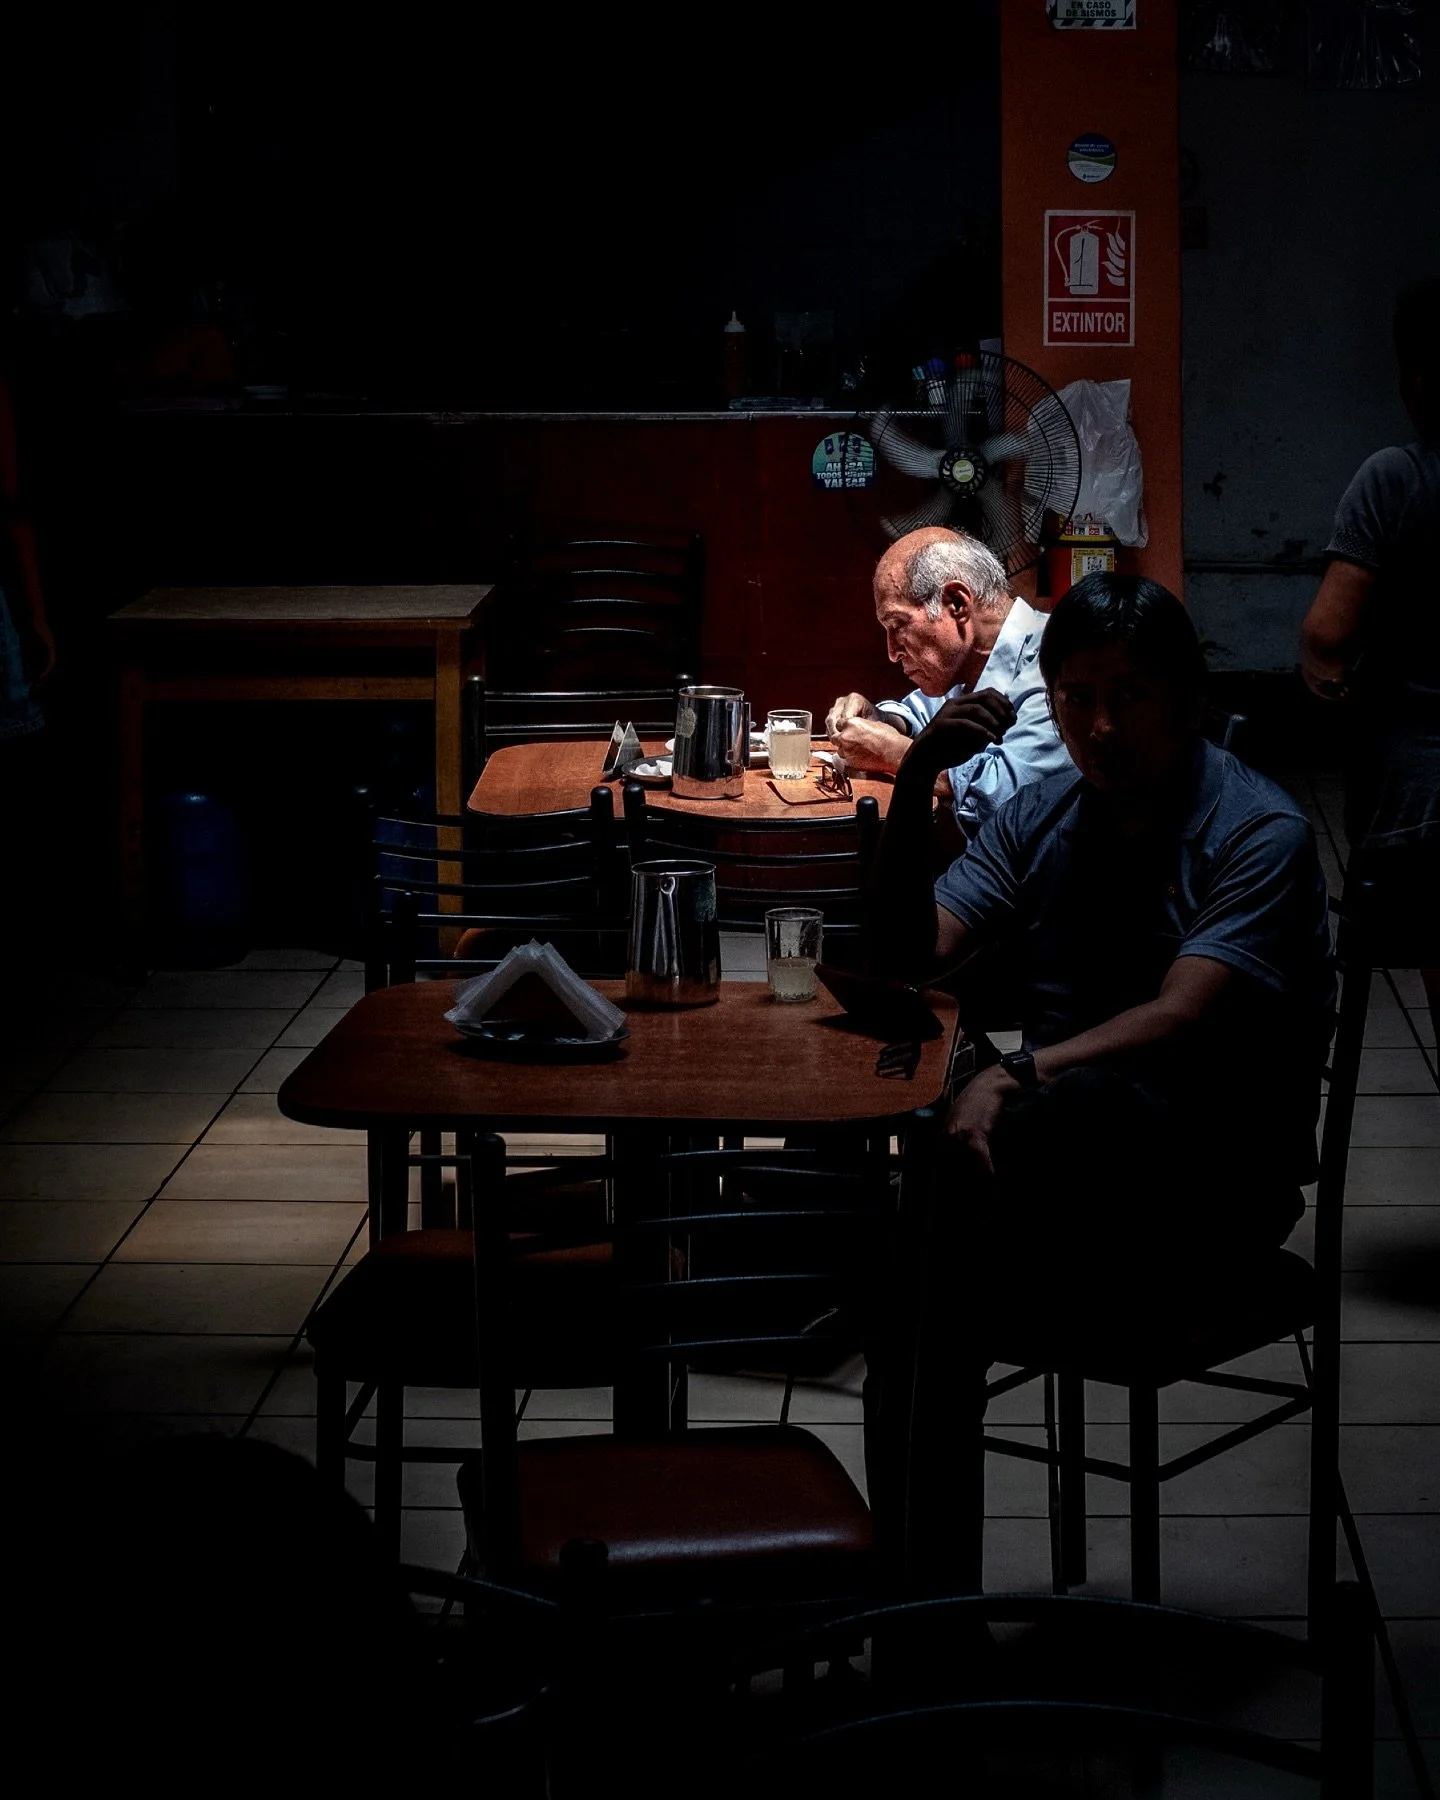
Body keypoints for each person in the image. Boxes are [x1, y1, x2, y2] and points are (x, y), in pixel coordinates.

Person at [866, 573, 1335, 1594]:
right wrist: (917, 784)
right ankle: (928, 1608)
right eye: (1075, 697)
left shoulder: (1259, 832)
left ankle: (920, 1612)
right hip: (1069, 1171)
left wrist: (1013, 1076)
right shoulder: (1044, 813)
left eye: (1130, 694)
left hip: (1213, 1191)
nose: (1102, 725)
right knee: (922, 1281)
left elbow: (1181, 1017)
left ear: (1189, 697)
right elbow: (917, 950)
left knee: (943, 1243)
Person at [1301, 276, 1440, 1030]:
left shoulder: (1398, 477)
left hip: (1423, 798)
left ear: (1416, 379)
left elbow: (1329, 632)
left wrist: (1327, 675)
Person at [826, 526, 1072, 844]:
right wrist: (881, 719)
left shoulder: (1058, 661)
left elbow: (1002, 799)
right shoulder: (966, 666)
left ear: (956, 603)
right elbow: (921, 715)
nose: (891, 652)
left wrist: (893, 752)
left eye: (898, 625)